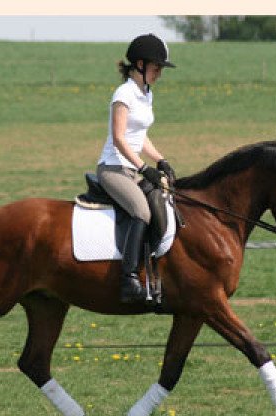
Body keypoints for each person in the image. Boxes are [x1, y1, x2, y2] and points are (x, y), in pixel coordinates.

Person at [96, 33, 176, 303]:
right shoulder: (124, 94)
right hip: (113, 168)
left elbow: (139, 136)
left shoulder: (145, 94)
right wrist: (144, 168)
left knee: (161, 200)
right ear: (139, 65)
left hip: (132, 167)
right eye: (156, 69)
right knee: (141, 211)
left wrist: (161, 159)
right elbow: (119, 138)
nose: (159, 74)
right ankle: (128, 279)